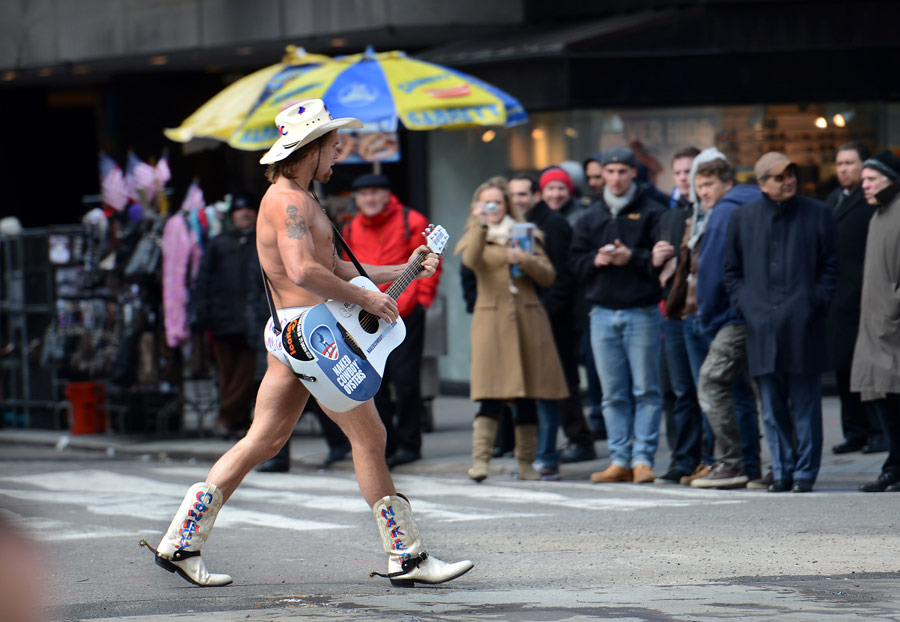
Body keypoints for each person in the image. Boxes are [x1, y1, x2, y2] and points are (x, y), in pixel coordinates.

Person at [142, 99, 472, 588]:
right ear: (310, 148)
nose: (339, 154)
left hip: (296, 334)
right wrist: (377, 303)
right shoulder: (290, 201)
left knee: (264, 440)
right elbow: (302, 271)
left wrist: (402, 269)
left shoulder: (298, 197)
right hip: (313, 335)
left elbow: (338, 269)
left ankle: (181, 542)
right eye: (334, 146)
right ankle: (408, 558)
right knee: (370, 437)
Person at [723, 151, 838, 494]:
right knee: (771, 406)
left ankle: (804, 473)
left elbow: (830, 267)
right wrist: (748, 305)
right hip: (761, 323)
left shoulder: (818, 213)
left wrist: (814, 302)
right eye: (778, 177)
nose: (787, 181)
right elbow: (731, 272)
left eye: (790, 174)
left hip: (803, 322)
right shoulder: (743, 218)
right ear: (761, 184)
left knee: (805, 403)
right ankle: (783, 470)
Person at [454, 176, 569, 483]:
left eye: (498, 202)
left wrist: (526, 259)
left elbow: (548, 276)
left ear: (507, 204)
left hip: (529, 321)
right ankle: (481, 461)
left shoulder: (526, 234)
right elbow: (471, 260)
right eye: (486, 202)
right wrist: (479, 224)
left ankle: (527, 464)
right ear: (478, 206)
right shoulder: (474, 234)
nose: (493, 207)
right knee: (490, 394)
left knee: (529, 395)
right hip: (491, 323)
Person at [570, 145, 668, 484]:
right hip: (601, 313)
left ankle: (642, 459)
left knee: (646, 390)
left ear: (633, 174)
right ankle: (619, 458)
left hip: (641, 310)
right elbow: (574, 265)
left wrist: (633, 258)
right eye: (609, 172)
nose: (615, 178)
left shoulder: (653, 212)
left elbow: (662, 263)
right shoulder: (590, 216)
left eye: (622, 172)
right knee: (612, 393)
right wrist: (594, 260)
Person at [342, 172, 440, 468]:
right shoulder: (349, 227)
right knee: (376, 384)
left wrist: (421, 300)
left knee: (407, 380)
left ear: (387, 195)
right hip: (367, 316)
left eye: (375, 192)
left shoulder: (411, 219)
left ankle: (410, 444)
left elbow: (431, 262)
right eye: (364, 194)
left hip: (405, 312)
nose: (370, 199)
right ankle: (387, 445)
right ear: (357, 199)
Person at [680, 152, 763, 489]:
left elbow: (713, 271)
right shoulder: (756, 204)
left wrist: (709, 316)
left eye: (709, 184)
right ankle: (756, 466)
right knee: (752, 391)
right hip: (758, 312)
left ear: (727, 183)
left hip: (731, 316)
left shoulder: (724, 211)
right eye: (699, 186)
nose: (704, 192)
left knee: (713, 383)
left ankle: (732, 463)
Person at [652, 146, 711, 485]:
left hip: (703, 312)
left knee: (710, 389)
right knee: (679, 391)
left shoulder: (715, 213)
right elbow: (657, 276)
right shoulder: (670, 216)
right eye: (678, 173)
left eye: (690, 172)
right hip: (674, 313)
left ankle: (714, 457)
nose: (684, 179)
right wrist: (656, 259)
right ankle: (684, 459)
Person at [530, 169, 597, 466]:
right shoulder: (535, 222)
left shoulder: (558, 223)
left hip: (561, 315)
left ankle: (579, 438)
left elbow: (562, 276)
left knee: (565, 379)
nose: (556, 194)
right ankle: (568, 439)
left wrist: (546, 311)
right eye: (550, 188)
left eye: (561, 188)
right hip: (549, 312)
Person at [192, 192, 269, 440]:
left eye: (249, 209)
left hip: (254, 319)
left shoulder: (263, 240)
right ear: (232, 215)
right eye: (239, 210)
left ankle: (227, 416)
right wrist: (202, 311)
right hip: (222, 318)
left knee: (247, 373)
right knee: (226, 374)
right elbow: (202, 279)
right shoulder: (219, 243)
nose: (244, 213)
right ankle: (237, 419)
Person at [825, 142, 884, 456]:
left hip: (864, 295)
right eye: (839, 163)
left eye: (849, 163)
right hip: (838, 298)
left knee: (869, 370)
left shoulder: (872, 201)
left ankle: (877, 431)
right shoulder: (833, 200)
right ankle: (855, 432)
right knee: (843, 367)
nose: (843, 169)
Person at [853, 150, 900, 493]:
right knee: (882, 397)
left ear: (890, 179)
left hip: (891, 325)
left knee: (894, 396)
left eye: (870, 179)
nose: (864, 186)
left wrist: (892, 311)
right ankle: (894, 466)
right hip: (877, 324)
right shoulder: (878, 215)